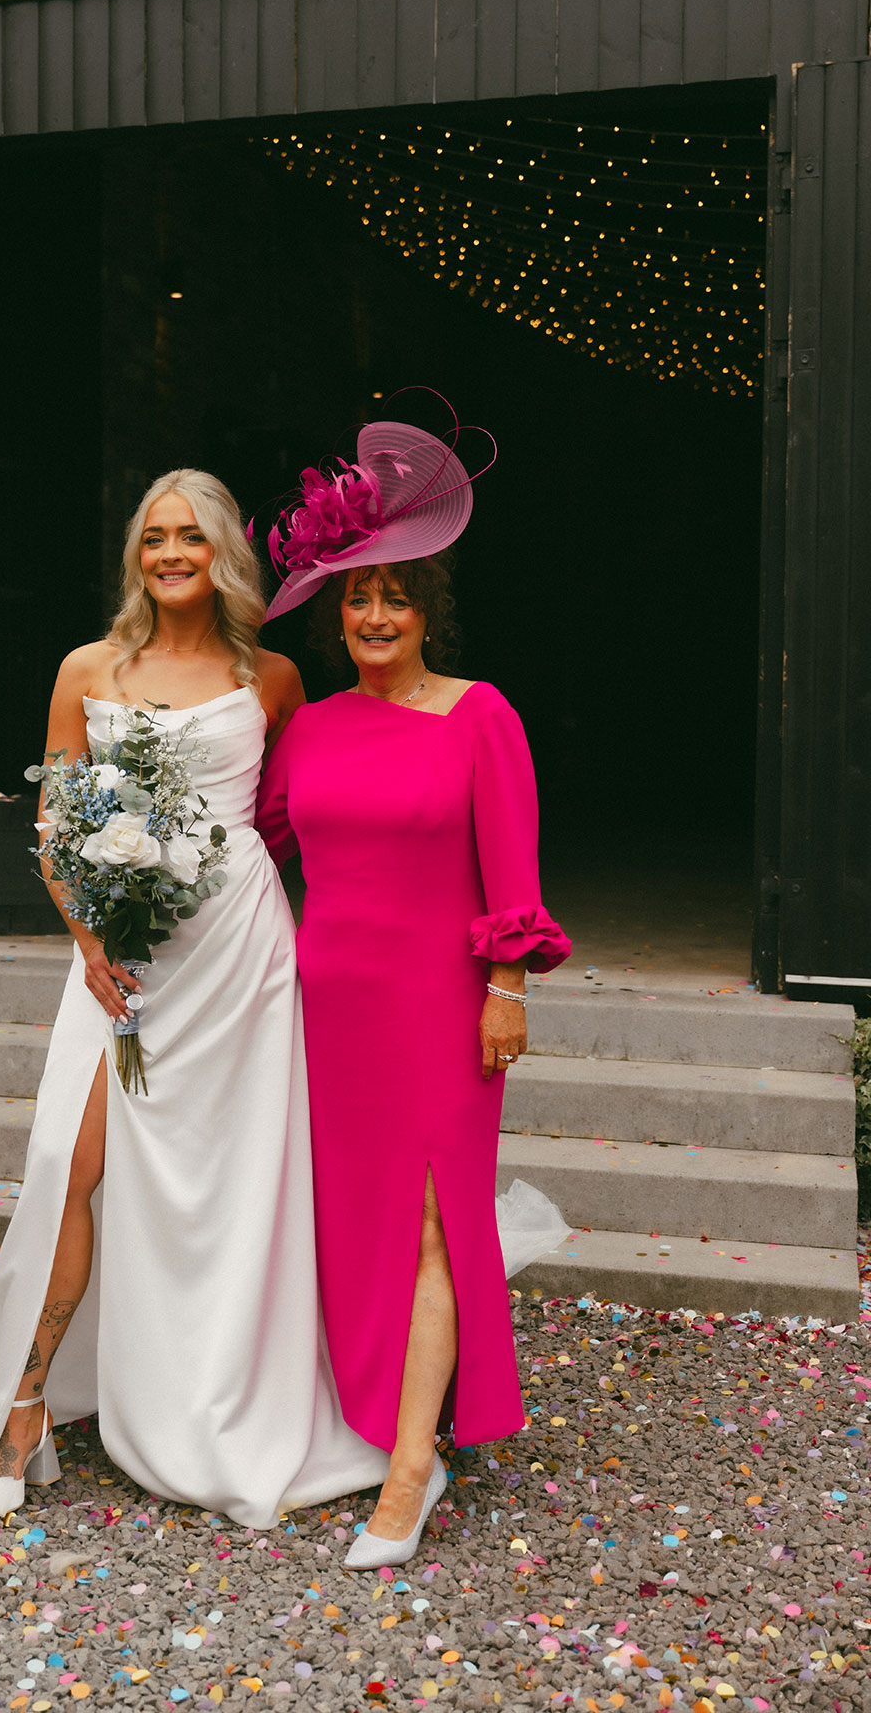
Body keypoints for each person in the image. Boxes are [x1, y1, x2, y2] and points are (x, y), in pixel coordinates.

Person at [0, 468, 388, 1530]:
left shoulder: (273, 674)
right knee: (72, 1164)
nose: (172, 553)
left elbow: (309, 808)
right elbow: (55, 825)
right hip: (121, 963)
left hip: (239, 954)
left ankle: (216, 1394)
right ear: (137, 555)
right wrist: (91, 942)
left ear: (225, 551)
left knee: (231, 1184)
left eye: (192, 536)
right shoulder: (89, 667)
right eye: (154, 537)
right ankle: (24, 1412)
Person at [254, 412, 571, 1568]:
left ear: (426, 608)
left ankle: (410, 1466)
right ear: (336, 619)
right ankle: (366, 1414)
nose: (375, 618)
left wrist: (508, 989)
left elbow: (516, 869)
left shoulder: (481, 715)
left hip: (443, 1005)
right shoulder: (315, 728)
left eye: (394, 597)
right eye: (355, 600)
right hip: (327, 1010)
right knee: (356, 1224)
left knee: (440, 1216)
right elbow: (256, 849)